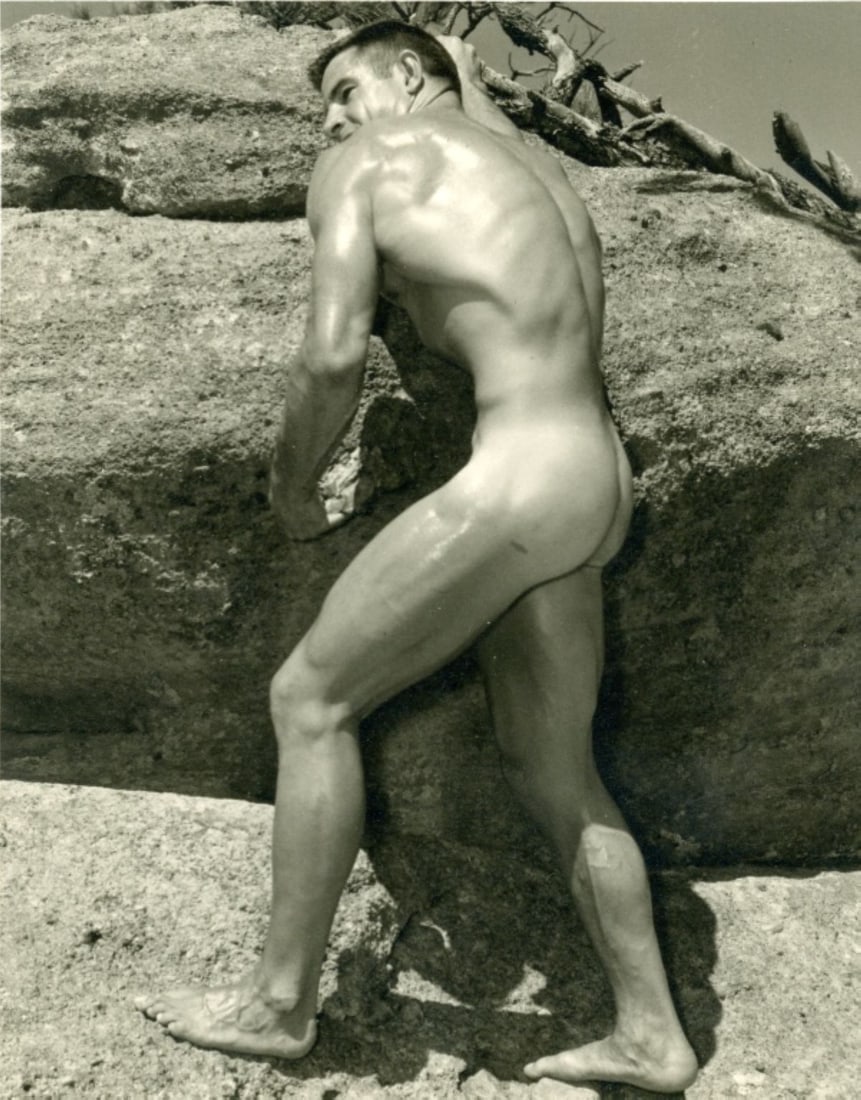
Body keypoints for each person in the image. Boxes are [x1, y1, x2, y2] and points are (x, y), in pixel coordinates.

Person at [137, 22, 698, 1093]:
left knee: (309, 699)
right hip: (594, 478)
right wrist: (471, 76)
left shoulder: (367, 165)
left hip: (519, 473)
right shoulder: (545, 187)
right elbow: (491, 133)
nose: (334, 122)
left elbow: (333, 350)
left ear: (406, 79)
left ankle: (277, 1003)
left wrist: (293, 483)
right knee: (554, 767)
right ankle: (653, 1034)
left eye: (346, 91)